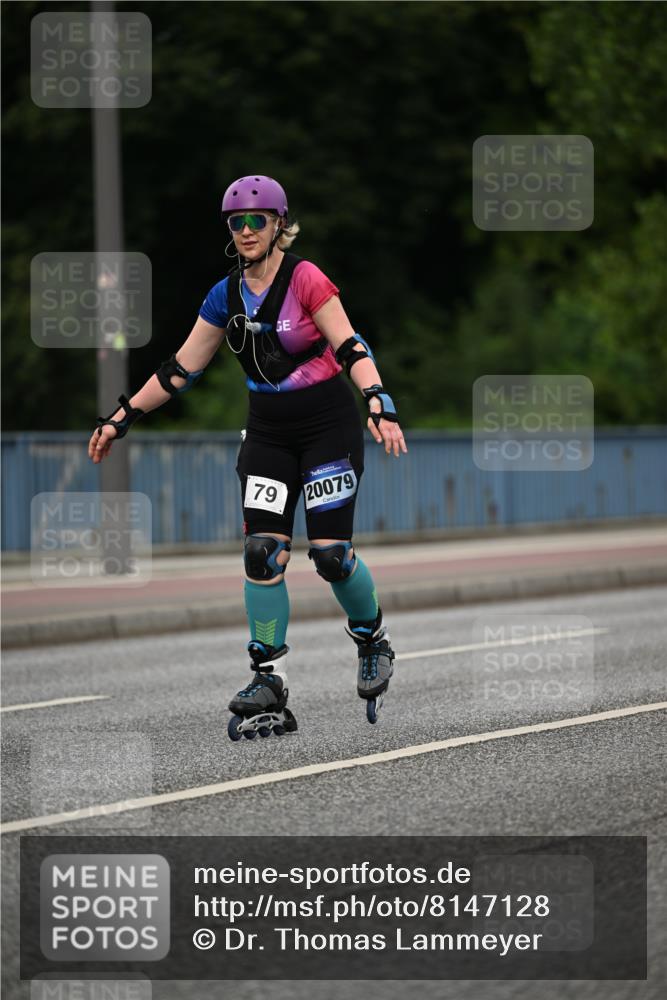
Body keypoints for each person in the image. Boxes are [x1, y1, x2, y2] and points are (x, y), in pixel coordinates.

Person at [89, 174, 408, 738]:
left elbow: (350, 344)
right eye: (236, 222)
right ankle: (269, 677)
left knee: (331, 556)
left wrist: (379, 401)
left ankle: (371, 638)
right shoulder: (225, 295)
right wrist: (122, 417)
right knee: (263, 554)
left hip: (327, 424)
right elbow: (181, 369)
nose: (246, 230)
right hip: (268, 431)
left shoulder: (304, 278)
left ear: (280, 224)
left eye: (257, 220)